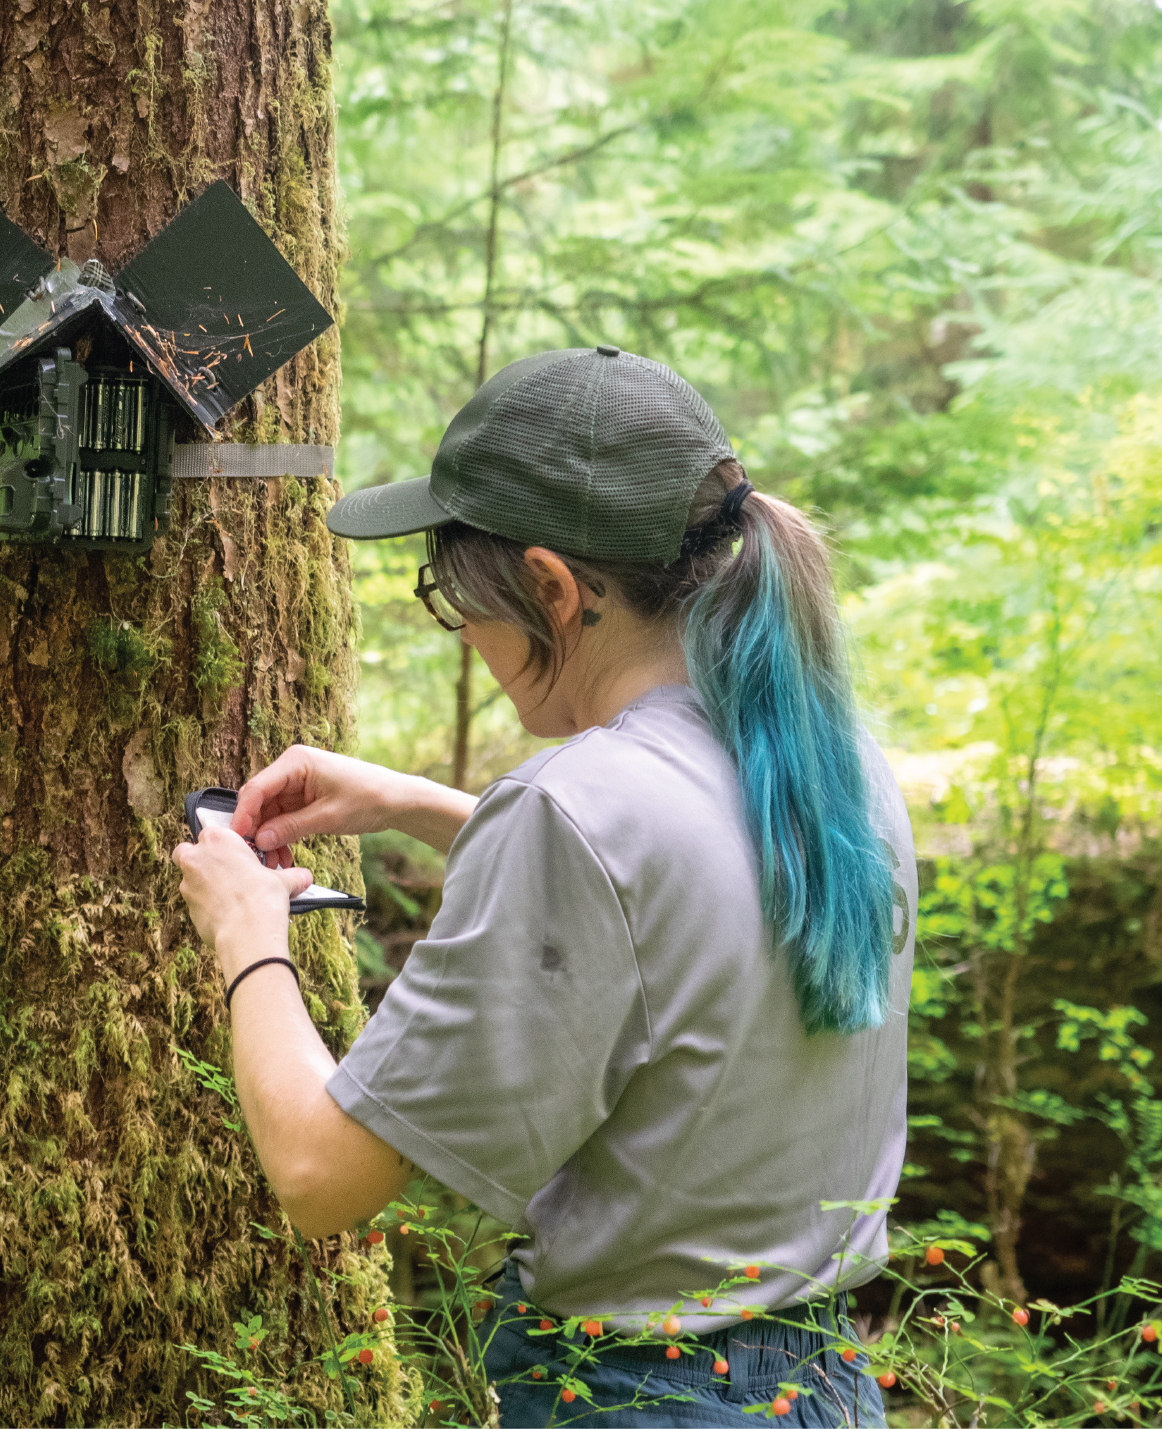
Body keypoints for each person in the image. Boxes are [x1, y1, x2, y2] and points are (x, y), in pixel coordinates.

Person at [174, 346, 915, 1427]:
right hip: (824, 1388)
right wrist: (421, 805)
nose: (464, 632)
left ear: (552, 589)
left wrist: (248, 935)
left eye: (451, 598)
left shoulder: (579, 810)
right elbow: (681, 914)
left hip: (640, 1399)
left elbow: (318, 1176)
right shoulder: (827, 764)